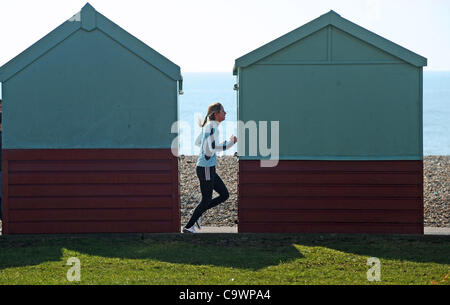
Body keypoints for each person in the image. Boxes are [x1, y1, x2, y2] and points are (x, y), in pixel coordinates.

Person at [182, 102, 237, 233]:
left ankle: (198, 211)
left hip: (208, 167)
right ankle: (188, 227)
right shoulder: (212, 127)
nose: (225, 113)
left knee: (224, 195)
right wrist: (230, 143)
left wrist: (218, 144)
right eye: (223, 111)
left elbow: (198, 142)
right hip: (205, 167)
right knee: (206, 199)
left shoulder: (210, 126)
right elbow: (211, 148)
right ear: (216, 114)